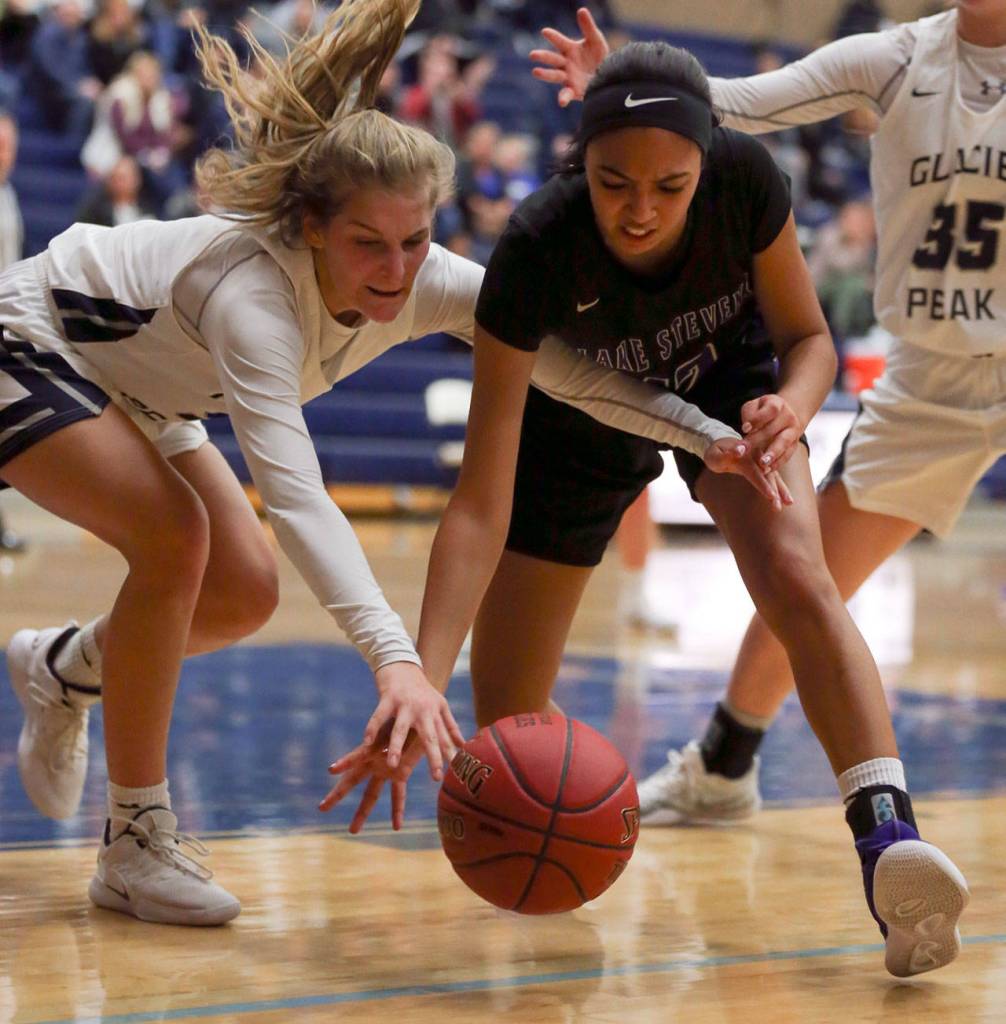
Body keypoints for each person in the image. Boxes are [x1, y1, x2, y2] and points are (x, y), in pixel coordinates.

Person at [3, 0, 774, 926]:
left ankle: (67, 667)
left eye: (414, 241)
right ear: (313, 228)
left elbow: (576, 376)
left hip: (150, 387)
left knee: (243, 593)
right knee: (175, 543)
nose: (398, 270)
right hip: (37, 338)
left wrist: (704, 434)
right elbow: (296, 498)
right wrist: (397, 663)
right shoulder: (254, 298)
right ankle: (133, 842)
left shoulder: (430, 277)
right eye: (369, 244)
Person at [380, 38, 963, 979]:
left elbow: (808, 335)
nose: (641, 209)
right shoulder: (534, 249)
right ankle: (559, 866)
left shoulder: (744, 176)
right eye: (614, 183)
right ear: (581, 162)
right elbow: (480, 503)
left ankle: (887, 844)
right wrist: (421, 677)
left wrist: (795, 408)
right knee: (510, 760)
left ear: (705, 165)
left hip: (732, 395)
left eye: (670, 186)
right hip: (574, 418)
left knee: (797, 576)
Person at [537, 5, 1004, 864]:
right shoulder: (900, 57)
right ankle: (724, 765)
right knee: (806, 580)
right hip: (935, 376)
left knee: (804, 581)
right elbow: (746, 100)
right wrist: (630, 88)